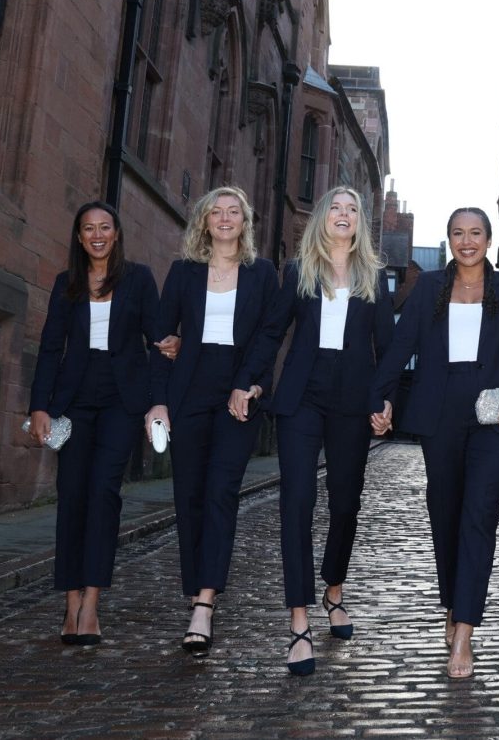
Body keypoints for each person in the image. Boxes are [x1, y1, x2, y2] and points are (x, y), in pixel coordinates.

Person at [369, 207, 499, 679]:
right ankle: (454, 601)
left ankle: (464, 631)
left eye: (476, 233)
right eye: (458, 233)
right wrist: (380, 398)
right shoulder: (428, 289)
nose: (467, 241)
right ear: (448, 240)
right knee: (444, 515)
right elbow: (401, 348)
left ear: (490, 239)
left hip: (493, 415)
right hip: (439, 414)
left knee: (479, 516)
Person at [230, 186, 393, 677]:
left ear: (360, 223)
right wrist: (249, 382)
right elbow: (272, 332)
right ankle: (299, 620)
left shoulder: (374, 278)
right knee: (296, 504)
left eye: (352, 210)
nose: (344, 215)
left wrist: (386, 401)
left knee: (345, 503)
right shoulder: (298, 272)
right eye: (336, 208)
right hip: (301, 400)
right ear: (322, 218)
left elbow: (386, 346)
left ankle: (334, 588)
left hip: (352, 403)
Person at [145, 186, 279, 657]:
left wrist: (252, 385)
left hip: (237, 394)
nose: (224, 219)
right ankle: (196, 586)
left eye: (233, 212)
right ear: (204, 222)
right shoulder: (183, 273)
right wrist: (158, 403)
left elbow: (268, 338)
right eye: (215, 212)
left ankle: (205, 602)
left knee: (221, 491)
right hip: (188, 392)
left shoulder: (263, 274)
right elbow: (163, 340)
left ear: (245, 222)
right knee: (191, 495)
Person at [28, 201, 162, 645]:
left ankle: (92, 604)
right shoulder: (66, 283)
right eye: (89, 229)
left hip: (122, 401)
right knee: (72, 496)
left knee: (105, 494)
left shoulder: (138, 278)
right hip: (75, 400)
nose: (98, 235)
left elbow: (156, 338)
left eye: (105, 227)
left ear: (117, 233)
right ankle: (69, 604)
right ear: (80, 237)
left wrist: (157, 399)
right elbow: (50, 348)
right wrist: (39, 407)